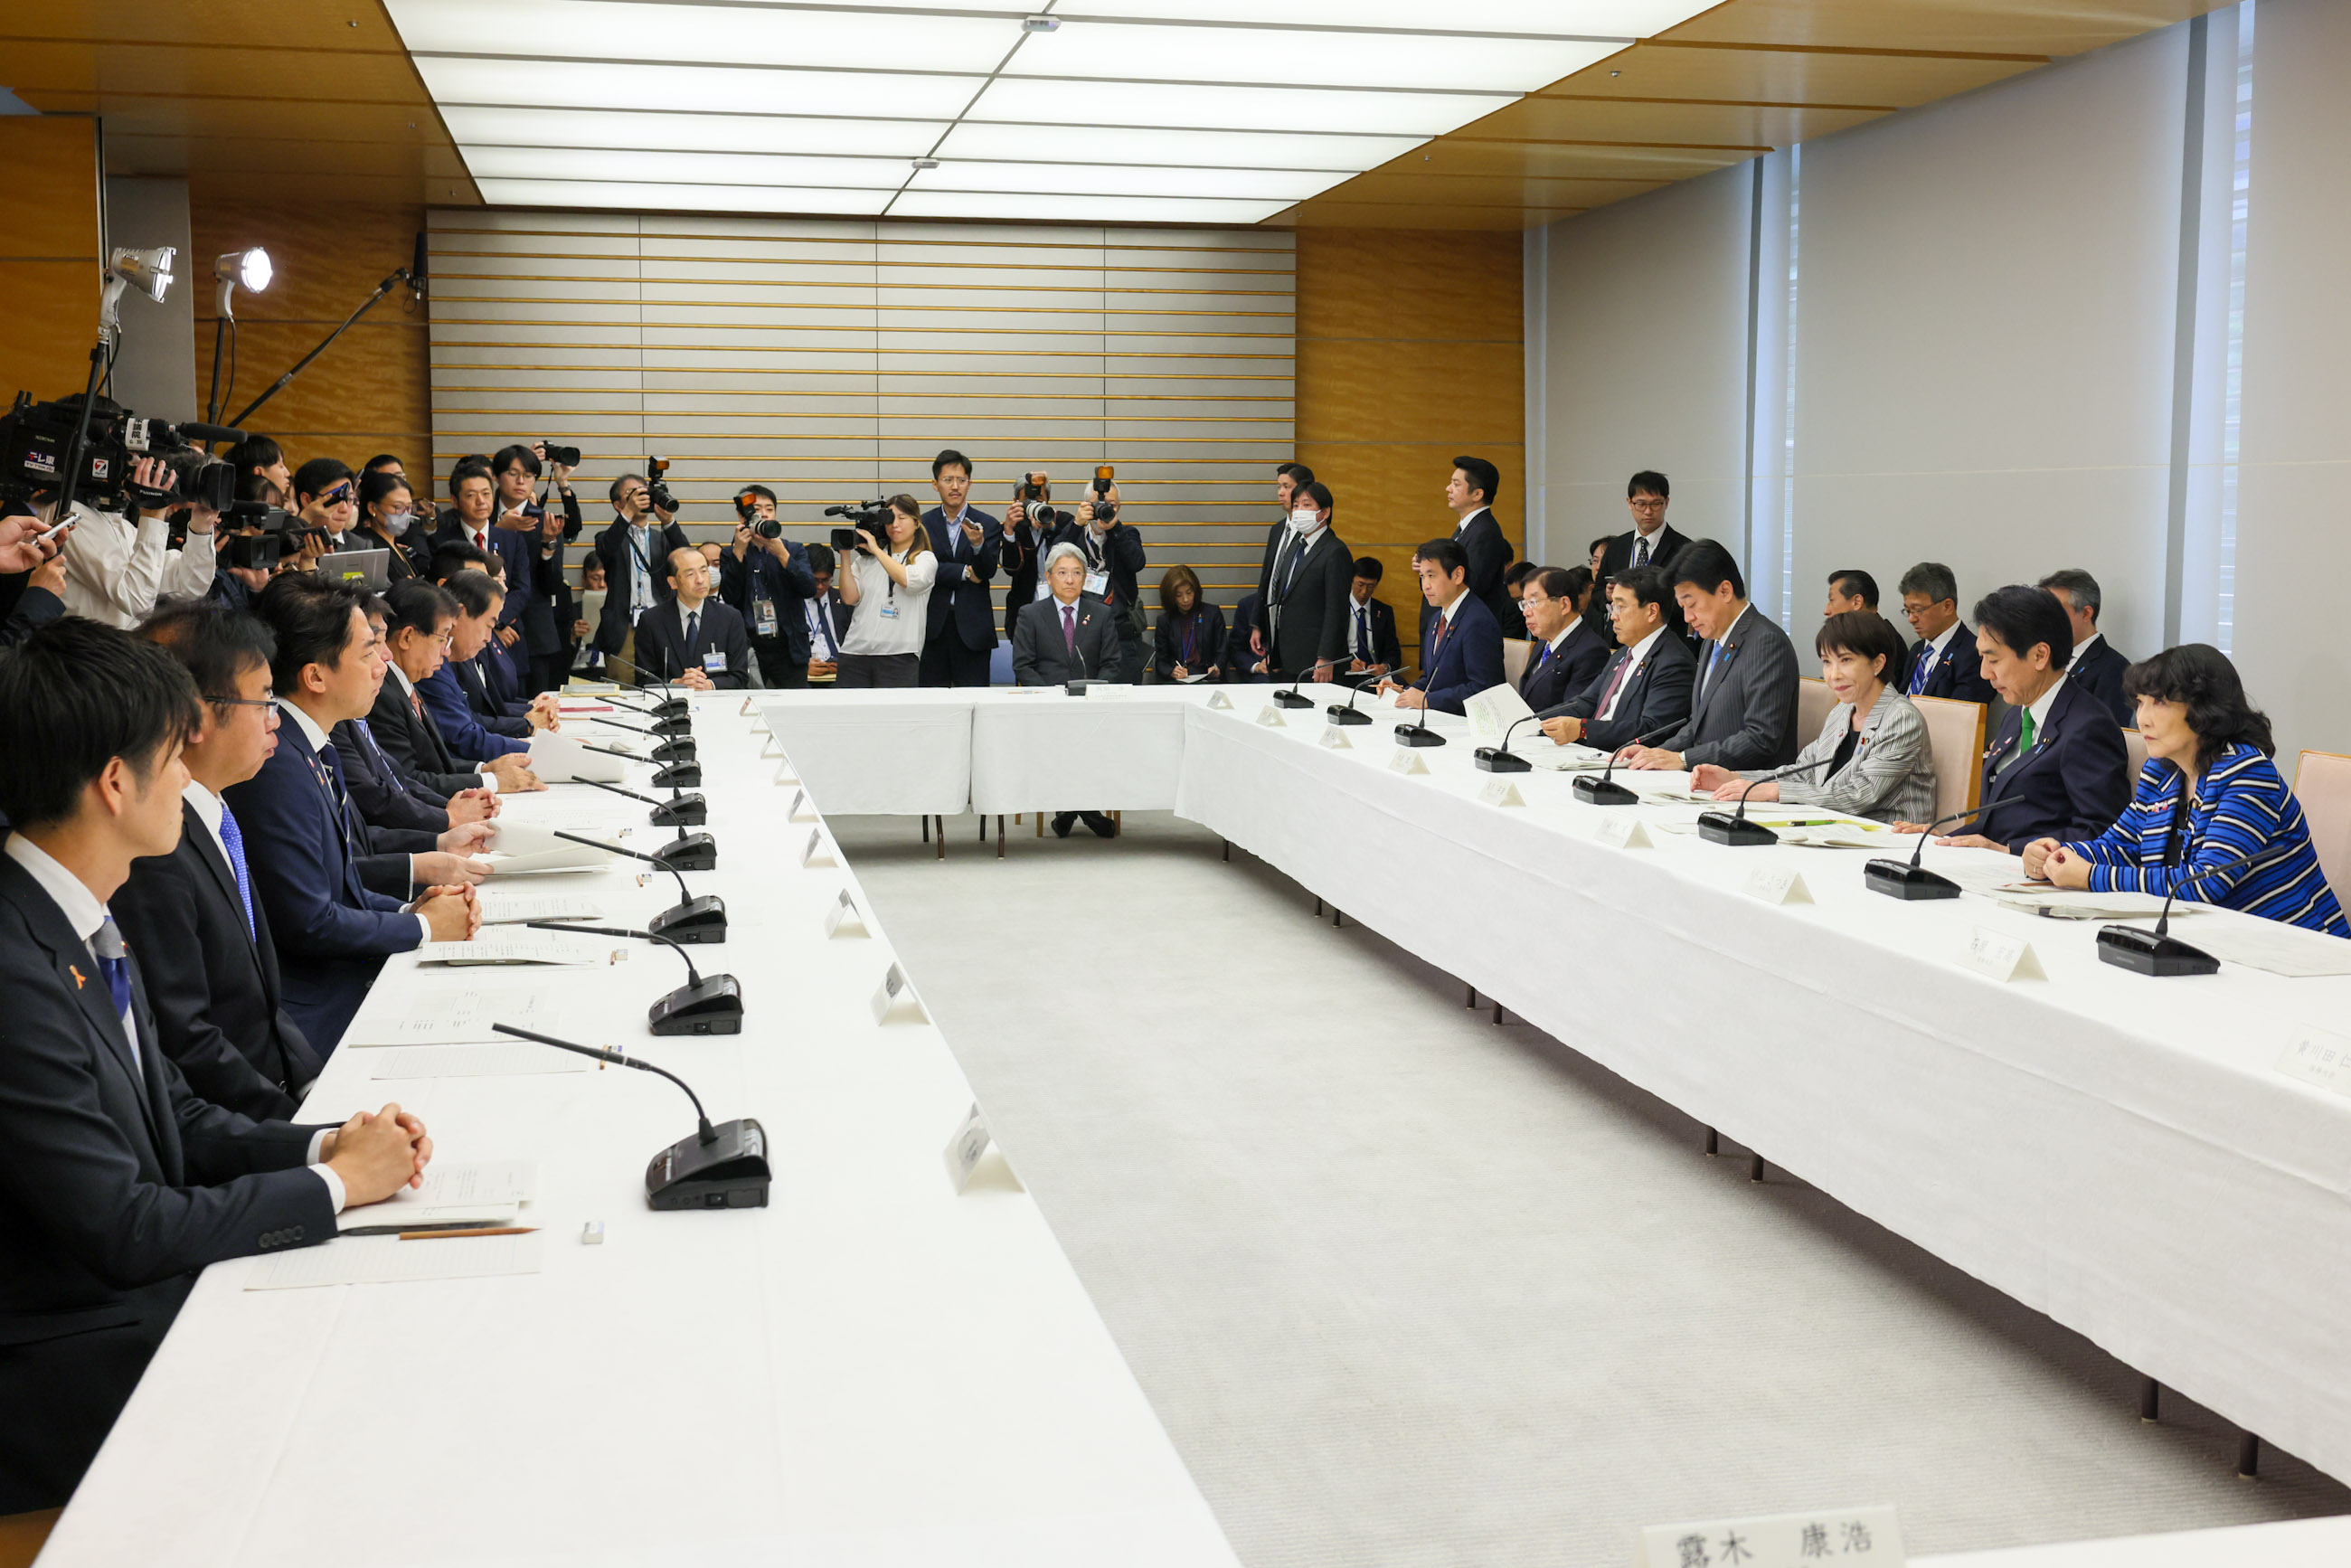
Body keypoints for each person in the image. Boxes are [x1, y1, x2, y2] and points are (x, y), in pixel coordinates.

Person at [0, 618, 435, 1514]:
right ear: (116, 784)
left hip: (124, 1291)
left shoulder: (79, 911)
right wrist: (336, 1191)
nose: (188, 775)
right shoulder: (15, 965)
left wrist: (326, 1150)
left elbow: (179, 1115)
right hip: (66, 1355)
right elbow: (124, 1225)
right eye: (174, 754)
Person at [226, 575, 480, 1050]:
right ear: (316, 676)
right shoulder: (277, 761)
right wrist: (421, 925)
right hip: (318, 1004)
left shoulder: (313, 744)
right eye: (368, 652)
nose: (384, 664)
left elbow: (343, 875)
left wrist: (413, 906)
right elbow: (310, 920)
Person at [113, 603, 326, 1119]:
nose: (275, 718)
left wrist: (319, 1084)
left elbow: (262, 1007)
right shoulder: (155, 849)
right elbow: (188, 1039)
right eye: (263, 701)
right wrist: (302, 1132)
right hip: (239, 1124)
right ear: (195, 715)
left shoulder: (216, 811)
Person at [2022, 644, 2346, 934]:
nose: (2142, 719)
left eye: (2159, 703)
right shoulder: (2161, 773)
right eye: (2140, 703)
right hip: (2210, 942)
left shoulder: (2248, 774)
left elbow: (2205, 883)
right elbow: (2119, 845)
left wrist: (2090, 876)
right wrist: (2060, 856)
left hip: (2293, 951)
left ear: (2206, 708)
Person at [1897, 584, 2130, 852]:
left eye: (1993, 660)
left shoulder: (2088, 727)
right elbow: (1996, 822)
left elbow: (2102, 831)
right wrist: (1942, 839)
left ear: (2040, 655)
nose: (1984, 672)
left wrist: (2011, 851)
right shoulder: (2017, 715)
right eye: (1981, 657)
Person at [1696, 611, 1935, 825]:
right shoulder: (1842, 711)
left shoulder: (1901, 719)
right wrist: (1735, 778)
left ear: (1878, 663)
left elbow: (1859, 794)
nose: (1834, 675)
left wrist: (1774, 791)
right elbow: (1804, 772)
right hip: (1834, 827)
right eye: (1826, 662)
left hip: (1888, 839)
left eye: (1846, 660)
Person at [1620, 540, 1800, 771]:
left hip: (1747, 788)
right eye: (1682, 607)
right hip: (1705, 781)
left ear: (1725, 591)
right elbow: (1699, 724)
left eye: (1692, 604)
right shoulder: (1712, 641)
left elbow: (1761, 738)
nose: (1687, 618)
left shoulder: (1766, 642)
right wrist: (1660, 753)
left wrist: (1684, 759)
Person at [372, 579, 542, 792]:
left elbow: (436, 765)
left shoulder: (406, 683)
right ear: (407, 637)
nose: (447, 651)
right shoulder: (383, 695)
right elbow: (408, 780)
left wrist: (485, 769)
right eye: (442, 639)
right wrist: (493, 781)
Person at [1536, 565, 1695, 752]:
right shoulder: (1623, 653)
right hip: (1591, 753)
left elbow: (1653, 729)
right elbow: (1586, 702)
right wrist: (1535, 722)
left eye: (1620, 607)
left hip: (1627, 762)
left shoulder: (1673, 662)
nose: (1613, 616)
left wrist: (1584, 729)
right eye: (1613, 606)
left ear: (1652, 611)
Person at [418, 571, 535, 762]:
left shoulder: (447, 661)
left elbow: (470, 721)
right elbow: (464, 736)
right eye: (489, 626)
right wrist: (537, 750)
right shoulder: (430, 666)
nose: (488, 639)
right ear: (460, 614)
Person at [1378, 537, 1503, 715]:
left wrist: (1428, 700)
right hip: (1440, 716)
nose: (1425, 585)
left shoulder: (1477, 621)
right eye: (1422, 576)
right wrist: (1405, 692)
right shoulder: (1437, 618)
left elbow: (1484, 689)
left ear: (1458, 575)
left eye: (1432, 575)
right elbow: (1432, 678)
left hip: (1465, 723)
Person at [590, 471, 691, 686]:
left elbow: (687, 558)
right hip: (624, 627)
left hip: (661, 622)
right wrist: (628, 513)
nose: (640, 496)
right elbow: (606, 549)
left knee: (663, 684)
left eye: (643, 491)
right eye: (632, 493)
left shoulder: (662, 539)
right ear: (618, 505)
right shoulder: (608, 537)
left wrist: (668, 521)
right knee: (623, 687)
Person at [719, 485, 818, 689]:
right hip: (748, 645)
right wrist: (739, 553)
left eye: (769, 509)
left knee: (795, 705)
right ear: (742, 516)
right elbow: (729, 596)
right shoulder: (731, 553)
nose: (764, 513)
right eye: (757, 508)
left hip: (788, 645)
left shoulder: (793, 549)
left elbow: (809, 589)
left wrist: (782, 555)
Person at [836, 495, 939, 688]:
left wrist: (876, 549)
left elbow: (908, 581)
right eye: (890, 519)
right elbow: (850, 598)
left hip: (898, 655)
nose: (895, 525)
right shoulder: (866, 560)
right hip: (855, 651)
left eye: (902, 518)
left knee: (894, 718)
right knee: (850, 717)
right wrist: (845, 556)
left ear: (916, 522)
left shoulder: (925, 559)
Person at [1255, 480, 1352, 682]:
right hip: (1288, 655)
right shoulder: (1295, 546)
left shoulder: (1335, 552)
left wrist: (1325, 656)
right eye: (1297, 505)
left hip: (1317, 659)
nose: (1299, 511)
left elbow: (1337, 610)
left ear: (1325, 512)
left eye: (1307, 505)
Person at [921, 449, 1001, 686]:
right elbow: (923, 570)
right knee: (932, 704)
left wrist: (978, 545)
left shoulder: (987, 524)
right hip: (933, 628)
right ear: (935, 484)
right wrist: (964, 572)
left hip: (973, 630)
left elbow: (987, 572)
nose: (955, 486)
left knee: (975, 704)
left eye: (961, 480)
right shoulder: (923, 524)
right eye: (948, 480)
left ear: (969, 484)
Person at [635, 546, 751, 690]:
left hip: (716, 704)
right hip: (670, 705)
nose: (700, 580)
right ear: (673, 582)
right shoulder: (651, 620)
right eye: (690, 574)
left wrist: (709, 685)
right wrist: (675, 684)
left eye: (704, 571)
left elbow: (740, 676)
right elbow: (643, 679)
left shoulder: (730, 618)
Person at [1069, 480, 1148, 682]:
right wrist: (1076, 524)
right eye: (1098, 504)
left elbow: (1137, 562)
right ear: (1086, 505)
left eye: (1111, 505)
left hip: (1120, 632)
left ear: (1119, 508)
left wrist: (1115, 529)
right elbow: (1054, 558)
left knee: (1125, 698)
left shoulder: (1126, 534)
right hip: (1081, 631)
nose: (1104, 508)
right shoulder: (1076, 536)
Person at [1014, 543, 1123, 687]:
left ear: (1084, 578)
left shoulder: (1101, 614)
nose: (1070, 580)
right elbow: (1023, 666)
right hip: (1046, 700)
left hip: (1089, 700)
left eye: (1077, 573)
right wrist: (1048, 696)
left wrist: (1095, 692)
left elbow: (1111, 663)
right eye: (1062, 573)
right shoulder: (1030, 615)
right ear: (1049, 577)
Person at [1244, 461, 1317, 670]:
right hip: (1272, 620)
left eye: (1287, 486)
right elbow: (1267, 578)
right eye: (1278, 487)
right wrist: (1258, 624)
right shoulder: (1277, 530)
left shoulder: (1311, 534)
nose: (1281, 493)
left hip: (1299, 628)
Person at [2038, 568, 2132, 727]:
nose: (2046, 620)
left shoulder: (2114, 667)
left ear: (2086, 614)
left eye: (2056, 611)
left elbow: (2108, 734)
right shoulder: (2042, 658)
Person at [1897, 562, 1997, 704]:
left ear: (1947, 607)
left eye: (1918, 610)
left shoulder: (1974, 654)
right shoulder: (1917, 650)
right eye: (1908, 611)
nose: (1911, 619)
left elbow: (1959, 718)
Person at [1515, 566, 1609, 712]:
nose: (1526, 612)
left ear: (1564, 604)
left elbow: (1573, 712)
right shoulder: (1543, 643)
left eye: (1533, 603)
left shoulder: (1591, 651)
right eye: (1524, 604)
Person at [1444, 455, 1518, 638]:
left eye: (1456, 484)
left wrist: (1436, 571)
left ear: (1477, 494)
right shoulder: (1467, 527)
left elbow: (1472, 585)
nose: (1448, 488)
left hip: (1471, 632)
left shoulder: (1485, 532)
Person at [1595, 470, 1688, 592]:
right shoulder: (1616, 547)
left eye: (1656, 504)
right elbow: (1596, 596)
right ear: (1629, 503)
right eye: (1641, 504)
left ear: (1666, 503)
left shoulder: (1684, 550)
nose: (1648, 511)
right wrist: (1607, 596)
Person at [1153, 564, 1225, 682]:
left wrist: (1217, 667)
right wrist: (1172, 672)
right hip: (1178, 681)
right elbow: (1161, 661)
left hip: (1208, 679)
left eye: (1189, 592)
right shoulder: (1165, 621)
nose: (1185, 599)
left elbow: (1222, 651)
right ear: (1171, 596)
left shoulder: (1212, 614)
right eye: (1179, 595)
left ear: (1196, 591)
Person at [1825, 568, 1909, 666]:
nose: (1826, 611)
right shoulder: (1862, 635)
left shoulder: (1880, 641)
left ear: (1857, 602)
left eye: (1832, 600)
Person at [352, 468, 423, 580]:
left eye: (408, 508)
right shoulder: (367, 546)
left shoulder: (398, 547)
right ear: (373, 508)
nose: (405, 514)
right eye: (398, 507)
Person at [1342, 556, 1402, 678]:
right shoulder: (1338, 609)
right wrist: (1345, 665)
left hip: (1375, 675)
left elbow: (1393, 653)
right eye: (1360, 584)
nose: (1364, 591)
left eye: (1370, 586)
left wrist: (1384, 667)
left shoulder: (1384, 611)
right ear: (1351, 580)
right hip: (1345, 674)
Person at [802, 541, 849, 685]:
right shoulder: (790, 601)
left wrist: (846, 663)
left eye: (825, 580)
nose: (820, 586)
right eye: (815, 580)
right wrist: (803, 666)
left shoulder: (844, 599)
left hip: (841, 674)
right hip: (804, 676)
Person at [1225, 592, 1272, 682]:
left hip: (1295, 675)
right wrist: (1257, 667)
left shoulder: (1300, 604)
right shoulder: (1247, 604)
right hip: (1258, 677)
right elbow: (1235, 649)